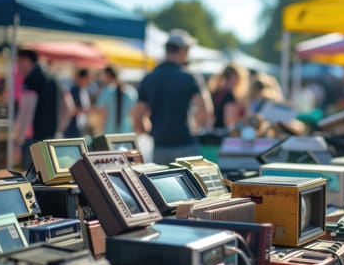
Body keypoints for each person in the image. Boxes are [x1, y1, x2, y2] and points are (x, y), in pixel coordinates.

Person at [132, 29, 213, 165]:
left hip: (160, 146)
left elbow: (137, 116)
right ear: (183, 50)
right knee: (192, 185)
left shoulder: (149, 78)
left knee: (162, 185)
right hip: (186, 144)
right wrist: (196, 128)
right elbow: (205, 110)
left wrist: (150, 132)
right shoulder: (190, 77)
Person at [13, 49, 64, 171]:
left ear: (26, 61)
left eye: (18, 62)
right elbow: (67, 107)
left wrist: (17, 141)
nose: (17, 67)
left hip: (34, 140)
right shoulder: (52, 78)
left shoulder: (32, 79)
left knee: (31, 179)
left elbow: (27, 111)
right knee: (46, 179)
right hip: (51, 137)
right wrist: (58, 129)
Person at [95, 66, 137, 134]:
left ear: (107, 75)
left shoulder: (106, 92)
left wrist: (98, 132)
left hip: (109, 135)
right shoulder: (131, 91)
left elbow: (102, 116)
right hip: (127, 135)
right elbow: (134, 116)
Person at [208, 62, 248, 129]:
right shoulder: (229, 95)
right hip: (223, 135)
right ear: (233, 77)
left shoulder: (215, 92)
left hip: (213, 131)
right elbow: (229, 122)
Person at [64, 68, 93, 138]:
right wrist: (84, 111)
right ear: (82, 78)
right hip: (72, 128)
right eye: (88, 78)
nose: (90, 81)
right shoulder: (74, 91)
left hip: (82, 128)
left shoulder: (86, 91)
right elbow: (71, 110)